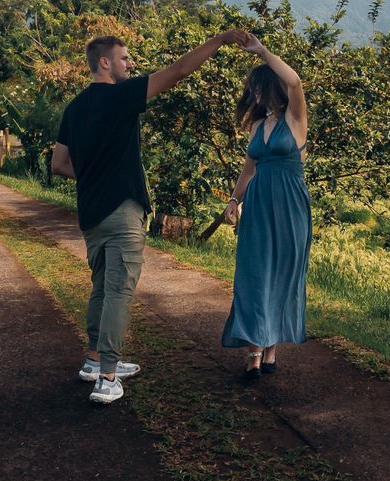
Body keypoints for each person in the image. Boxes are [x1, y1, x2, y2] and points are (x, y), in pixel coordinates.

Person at [51, 30, 240, 404]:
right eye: (125, 59)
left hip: (90, 214)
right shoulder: (121, 96)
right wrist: (220, 40)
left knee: (103, 287)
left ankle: (94, 360)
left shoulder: (74, 108)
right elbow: (180, 71)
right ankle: (107, 377)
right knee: (119, 291)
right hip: (122, 211)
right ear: (105, 63)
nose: (130, 64)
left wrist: (95, 176)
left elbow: (59, 164)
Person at [220, 31, 311, 381]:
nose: (253, 94)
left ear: (271, 86)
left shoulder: (296, 118)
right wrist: (233, 199)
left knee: (283, 276)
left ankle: (270, 349)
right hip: (258, 203)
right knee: (255, 273)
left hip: (290, 206)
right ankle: (254, 352)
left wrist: (262, 51)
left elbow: (295, 81)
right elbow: (248, 170)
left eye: (259, 87)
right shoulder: (258, 125)